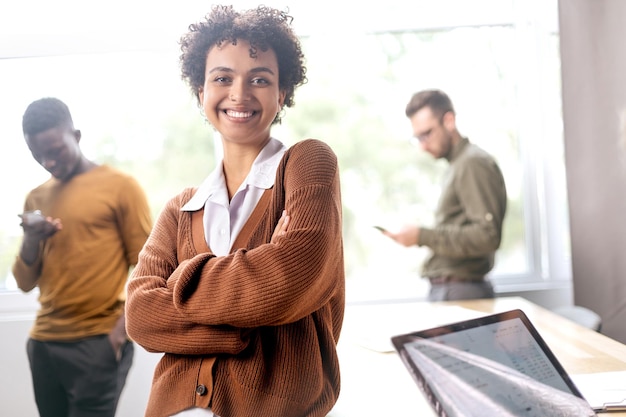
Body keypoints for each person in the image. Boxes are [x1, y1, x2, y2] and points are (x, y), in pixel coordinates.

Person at [124, 5, 345, 417]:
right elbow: (139, 315)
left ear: (281, 94)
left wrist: (181, 285)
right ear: (201, 93)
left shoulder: (307, 164)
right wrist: (244, 320)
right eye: (222, 78)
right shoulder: (180, 208)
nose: (239, 94)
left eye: (259, 79)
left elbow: (290, 278)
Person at [12, 97, 153, 417]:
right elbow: (23, 282)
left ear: (76, 136)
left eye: (55, 150)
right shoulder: (36, 197)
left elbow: (150, 270)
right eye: (37, 154)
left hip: (97, 342)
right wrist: (32, 240)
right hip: (43, 344)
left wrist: (117, 337)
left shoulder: (121, 187)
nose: (47, 162)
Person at [383, 89, 507, 301]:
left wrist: (421, 236)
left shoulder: (472, 163)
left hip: (461, 291)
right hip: (453, 289)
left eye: (427, 133)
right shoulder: (457, 165)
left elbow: (488, 236)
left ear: (449, 120)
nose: (423, 146)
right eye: (418, 138)